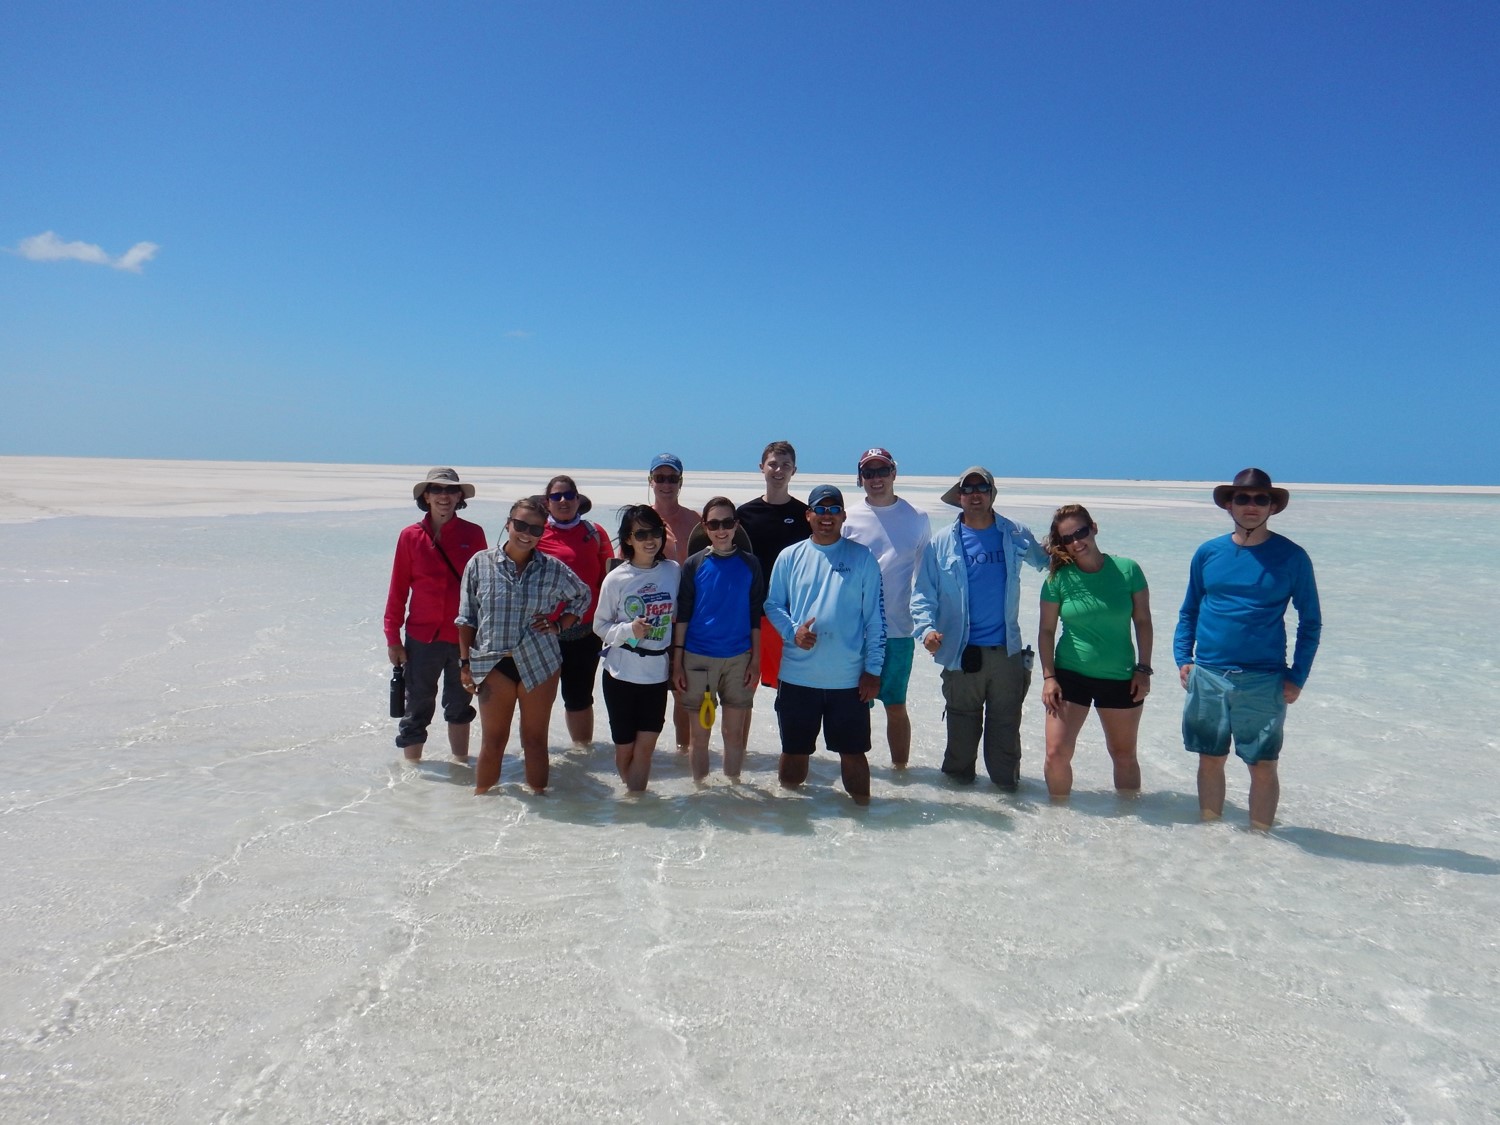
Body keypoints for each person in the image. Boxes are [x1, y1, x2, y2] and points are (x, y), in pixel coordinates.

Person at [1174, 468, 1321, 829]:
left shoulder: (1292, 557)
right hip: (1207, 674)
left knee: (1263, 764)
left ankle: (1261, 843)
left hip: (1264, 679)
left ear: (1272, 506)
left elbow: (1311, 622)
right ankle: (1211, 835)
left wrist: (1297, 676)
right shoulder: (1208, 553)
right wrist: (1183, 659)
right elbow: (1189, 609)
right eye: (1243, 498)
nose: (1251, 506)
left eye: (1260, 499)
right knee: (1210, 759)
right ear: (1229, 505)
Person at [911, 466, 1047, 791]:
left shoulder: (1015, 534)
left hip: (1007, 654)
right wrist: (926, 630)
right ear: (959, 497)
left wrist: (1085, 550)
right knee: (960, 743)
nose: (974, 494)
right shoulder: (940, 543)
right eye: (968, 489)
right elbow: (922, 594)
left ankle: (1009, 801)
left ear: (991, 494)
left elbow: (1050, 565)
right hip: (960, 653)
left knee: (1005, 737)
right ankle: (960, 818)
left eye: (981, 488)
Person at [458, 497, 591, 795]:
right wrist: (464, 665)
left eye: (535, 528)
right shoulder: (480, 563)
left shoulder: (553, 569)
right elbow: (466, 618)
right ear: (508, 524)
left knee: (534, 740)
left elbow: (582, 596)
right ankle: (481, 807)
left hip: (539, 661)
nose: (526, 533)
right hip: (493, 663)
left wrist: (559, 625)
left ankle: (540, 809)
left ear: (543, 532)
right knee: (493, 741)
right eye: (520, 525)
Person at [764, 485, 885, 805]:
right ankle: (790, 818)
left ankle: (864, 819)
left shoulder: (862, 558)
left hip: (848, 680)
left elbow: (875, 619)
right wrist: (793, 633)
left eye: (834, 510)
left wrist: (873, 671)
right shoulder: (790, 557)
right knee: (793, 755)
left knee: (854, 754)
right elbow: (773, 605)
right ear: (808, 515)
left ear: (844, 515)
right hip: (797, 677)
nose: (827, 516)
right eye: (820, 509)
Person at [1037, 504, 1153, 798]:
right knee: (1056, 754)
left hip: (1120, 675)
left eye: (1081, 532)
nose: (1077, 541)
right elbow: (1046, 631)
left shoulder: (1128, 570)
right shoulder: (1058, 579)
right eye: (1067, 538)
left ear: (1094, 528)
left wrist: (1144, 669)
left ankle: (1128, 822)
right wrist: (1049, 677)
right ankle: (1058, 820)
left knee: (1123, 754)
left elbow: (1142, 621)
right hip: (1069, 674)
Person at [383, 468, 488, 762]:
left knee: (460, 706)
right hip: (421, 638)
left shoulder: (473, 533)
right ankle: (411, 781)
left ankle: (461, 767)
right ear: (426, 496)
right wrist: (393, 638)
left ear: (459, 497)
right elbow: (398, 590)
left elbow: (485, 589)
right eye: (437, 490)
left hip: (463, 638)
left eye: (450, 491)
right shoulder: (410, 536)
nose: (444, 497)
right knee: (416, 708)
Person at [841, 446, 930, 768]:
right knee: (854, 707)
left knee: (895, 705)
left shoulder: (917, 518)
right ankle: (859, 774)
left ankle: (900, 774)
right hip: (854, 631)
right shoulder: (847, 517)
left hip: (899, 630)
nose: (875, 478)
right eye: (868, 472)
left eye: (881, 471)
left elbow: (926, 578)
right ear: (860, 478)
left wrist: (930, 624)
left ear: (894, 473)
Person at [672, 496, 765, 782]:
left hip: (739, 659)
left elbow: (755, 615)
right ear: (705, 526)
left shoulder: (751, 564)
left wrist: (756, 661)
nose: (721, 529)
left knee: (733, 735)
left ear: (736, 525)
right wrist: (677, 664)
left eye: (727, 523)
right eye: (714, 524)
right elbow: (683, 615)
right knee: (699, 736)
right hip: (698, 659)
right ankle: (700, 794)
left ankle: (732, 794)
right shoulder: (693, 564)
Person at [594, 506, 679, 793]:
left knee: (645, 750)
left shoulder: (673, 571)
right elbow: (600, 626)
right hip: (620, 674)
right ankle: (634, 806)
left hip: (656, 675)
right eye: (641, 534)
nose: (649, 540)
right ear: (628, 539)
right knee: (625, 751)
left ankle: (636, 805)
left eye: (655, 532)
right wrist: (629, 630)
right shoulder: (616, 578)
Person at [537, 474, 615, 751]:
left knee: (579, 697)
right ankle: (536, 753)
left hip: (585, 630)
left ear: (578, 500)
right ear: (547, 503)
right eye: (556, 496)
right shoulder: (536, 533)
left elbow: (610, 580)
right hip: (542, 632)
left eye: (569, 495)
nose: (563, 501)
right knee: (537, 698)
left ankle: (583, 755)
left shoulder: (595, 532)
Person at [736, 440, 809, 690]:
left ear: (794, 471)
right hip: (752, 613)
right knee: (745, 689)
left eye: (785, 465)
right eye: (773, 464)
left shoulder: (805, 515)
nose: (778, 471)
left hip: (790, 615)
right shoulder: (744, 514)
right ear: (761, 467)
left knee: (787, 687)